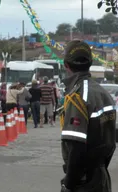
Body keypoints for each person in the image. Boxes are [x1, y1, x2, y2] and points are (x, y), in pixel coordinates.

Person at [60, 40, 116, 192]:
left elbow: (76, 147)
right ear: (90, 63)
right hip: (101, 176)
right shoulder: (103, 93)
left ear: (66, 65)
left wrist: (69, 184)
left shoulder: (78, 96)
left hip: (84, 181)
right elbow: (111, 140)